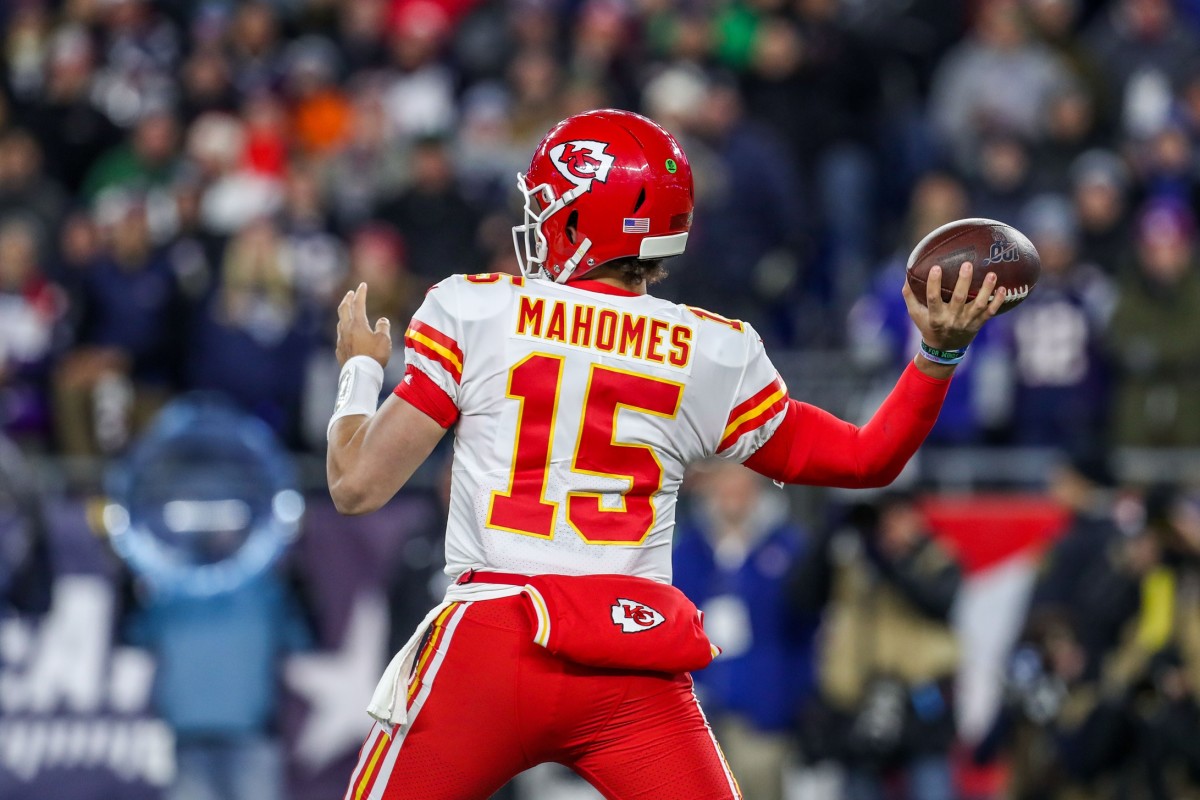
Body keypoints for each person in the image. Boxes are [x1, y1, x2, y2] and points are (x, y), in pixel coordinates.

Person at [325, 109, 1006, 799]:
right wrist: (938, 354)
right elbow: (868, 460)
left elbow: (356, 486)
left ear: (576, 219)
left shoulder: (476, 310)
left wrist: (357, 373)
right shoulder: (710, 352)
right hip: (630, 651)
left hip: (494, 639)